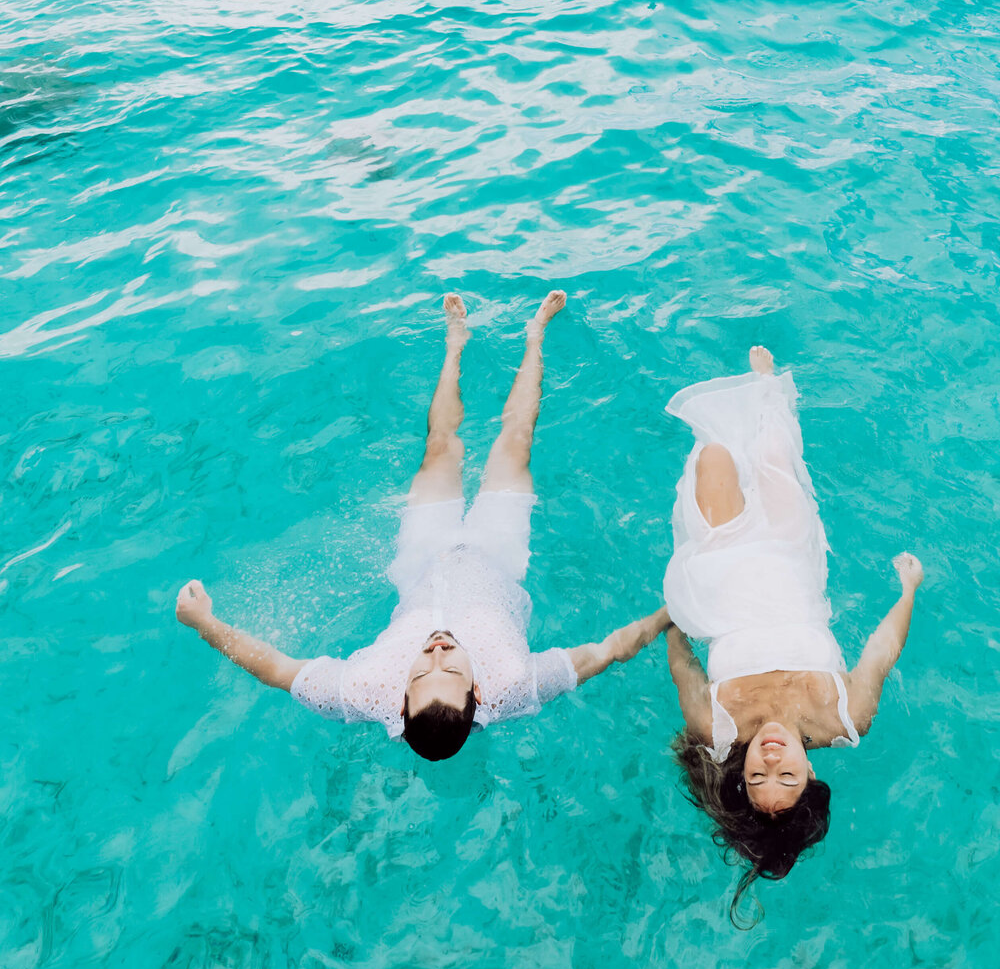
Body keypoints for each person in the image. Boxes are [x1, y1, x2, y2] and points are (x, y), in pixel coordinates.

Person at [176, 292, 667, 760]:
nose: (436, 650)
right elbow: (608, 650)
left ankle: (455, 344)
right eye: (449, 667)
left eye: (419, 674)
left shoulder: (364, 691)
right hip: (496, 553)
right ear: (478, 689)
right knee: (515, 441)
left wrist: (206, 626)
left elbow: (278, 670)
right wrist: (673, 613)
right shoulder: (518, 683)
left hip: (422, 555)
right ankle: (535, 335)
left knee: (438, 445)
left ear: (400, 702)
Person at [662, 345, 923, 920]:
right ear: (811, 775)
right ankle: (767, 387)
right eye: (786, 773)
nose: (771, 757)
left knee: (715, 458)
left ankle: (745, 414)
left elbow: (682, 664)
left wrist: (670, 620)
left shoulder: (717, 727)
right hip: (791, 565)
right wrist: (908, 592)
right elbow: (881, 653)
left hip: (724, 574)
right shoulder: (845, 718)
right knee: (776, 450)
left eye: (758, 774)